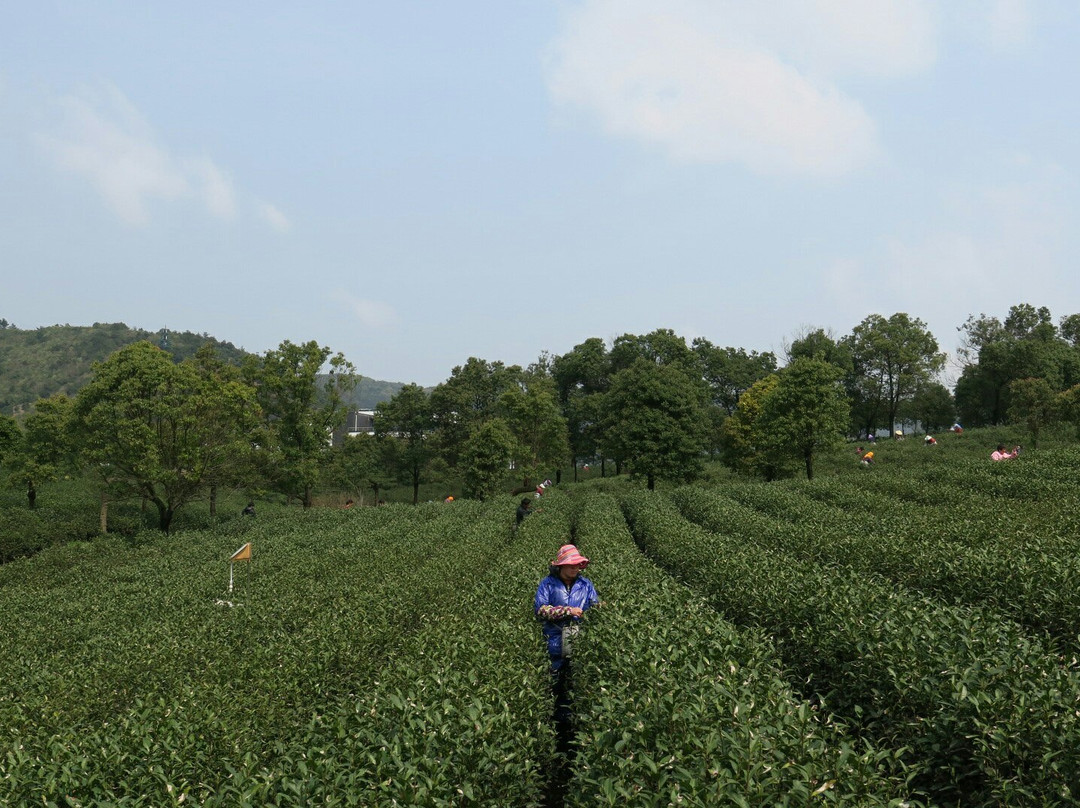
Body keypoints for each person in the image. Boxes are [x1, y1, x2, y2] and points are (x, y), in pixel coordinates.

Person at [534, 544, 600, 755]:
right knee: (554, 682)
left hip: (578, 640)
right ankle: (554, 727)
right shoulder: (548, 584)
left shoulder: (585, 584)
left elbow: (594, 605)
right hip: (553, 640)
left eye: (578, 565)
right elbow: (541, 609)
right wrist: (566, 610)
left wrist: (600, 608)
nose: (576, 569)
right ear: (561, 566)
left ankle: (572, 728)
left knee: (576, 682)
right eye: (572, 565)